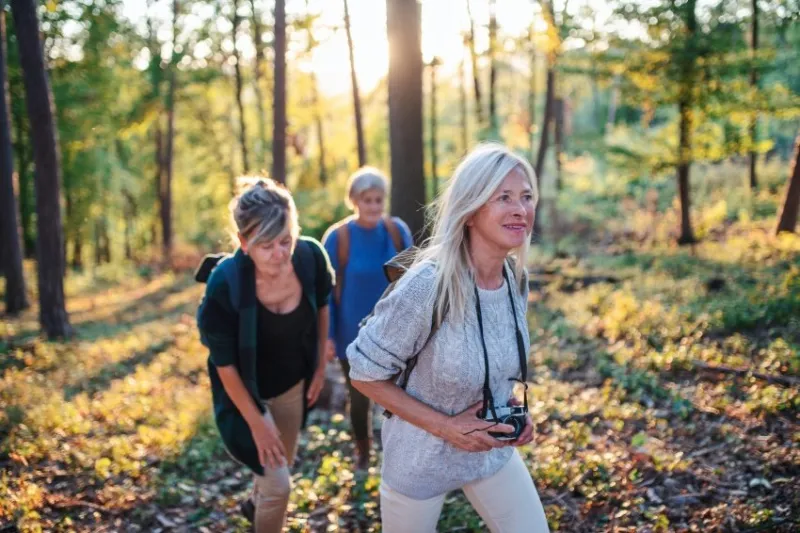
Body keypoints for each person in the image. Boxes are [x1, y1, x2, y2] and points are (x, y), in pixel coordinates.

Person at [346, 144, 550, 532]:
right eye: (503, 197)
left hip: (490, 452)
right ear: (471, 210)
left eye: (526, 197)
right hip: (419, 462)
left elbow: (497, 360)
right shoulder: (428, 285)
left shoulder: (514, 279)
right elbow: (362, 371)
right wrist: (446, 426)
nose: (520, 209)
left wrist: (514, 410)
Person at [196, 178, 334, 533]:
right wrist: (258, 421)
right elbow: (223, 364)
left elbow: (321, 308)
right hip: (243, 390)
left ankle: (254, 505)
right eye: (266, 245)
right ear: (244, 243)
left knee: (280, 463)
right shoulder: (225, 284)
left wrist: (319, 367)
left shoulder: (310, 257)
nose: (279, 253)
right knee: (279, 486)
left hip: (292, 383)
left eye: (286, 240)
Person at [322, 167, 413, 470]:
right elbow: (326, 293)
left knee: (399, 397)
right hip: (353, 334)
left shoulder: (397, 231)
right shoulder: (338, 238)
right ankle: (363, 452)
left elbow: (415, 281)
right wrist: (328, 336)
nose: (373, 206)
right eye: (367, 200)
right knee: (360, 396)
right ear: (355, 201)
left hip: (395, 331)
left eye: (378, 199)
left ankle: (397, 454)